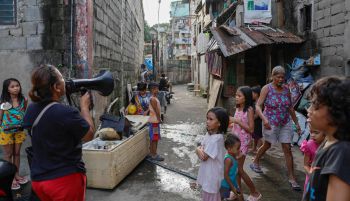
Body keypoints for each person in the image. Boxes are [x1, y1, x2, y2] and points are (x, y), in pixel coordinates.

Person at [22, 65, 94, 201]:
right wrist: (84, 108)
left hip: (39, 180)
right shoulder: (66, 112)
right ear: (56, 87)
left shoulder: (31, 109)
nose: (65, 81)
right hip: (64, 181)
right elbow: (89, 135)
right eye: (62, 78)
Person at [250, 66, 301, 191]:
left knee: (287, 148)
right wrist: (264, 119)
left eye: (283, 77)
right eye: (278, 77)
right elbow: (258, 106)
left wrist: (297, 123)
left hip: (285, 122)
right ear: (273, 77)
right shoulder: (266, 89)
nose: (281, 79)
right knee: (267, 144)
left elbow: (290, 107)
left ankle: (291, 177)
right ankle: (255, 161)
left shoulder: (286, 89)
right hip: (270, 122)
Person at [302, 77, 350, 201]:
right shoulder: (326, 142)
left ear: (335, 111)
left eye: (315, 105)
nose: (309, 110)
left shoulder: (341, 152)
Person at [230, 86, 261, 201]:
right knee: (236, 170)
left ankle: (255, 192)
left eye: (239, 96)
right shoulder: (237, 108)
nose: (236, 97)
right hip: (235, 141)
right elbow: (235, 125)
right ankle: (238, 193)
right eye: (236, 95)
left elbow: (251, 129)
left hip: (243, 142)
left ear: (246, 97)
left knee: (239, 170)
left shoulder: (249, 110)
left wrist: (236, 121)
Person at [0, 78, 28, 190]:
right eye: (12, 86)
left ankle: (16, 174)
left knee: (16, 153)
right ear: (7, 89)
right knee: (8, 155)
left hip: (19, 130)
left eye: (17, 85)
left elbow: (24, 113)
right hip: (6, 132)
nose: (16, 88)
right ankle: (9, 178)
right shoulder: (3, 102)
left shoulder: (23, 99)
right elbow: (0, 118)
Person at [196, 107, 228, 201]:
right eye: (207, 118)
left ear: (219, 123)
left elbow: (203, 156)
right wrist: (199, 149)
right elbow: (202, 147)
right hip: (208, 174)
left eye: (211, 119)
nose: (207, 121)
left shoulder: (217, 139)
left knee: (211, 197)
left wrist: (197, 150)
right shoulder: (209, 134)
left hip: (212, 177)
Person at [300, 126, 325, 192]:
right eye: (311, 132)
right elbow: (306, 165)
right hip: (311, 177)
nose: (312, 135)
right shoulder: (309, 144)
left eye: (316, 133)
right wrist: (312, 175)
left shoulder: (331, 146)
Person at [220, 134, 243, 201]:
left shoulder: (233, 156)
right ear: (229, 149)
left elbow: (234, 168)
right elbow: (226, 175)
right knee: (221, 198)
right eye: (237, 148)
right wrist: (232, 187)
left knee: (239, 196)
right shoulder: (228, 160)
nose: (239, 150)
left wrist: (238, 157)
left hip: (232, 182)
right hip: (225, 184)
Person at [148, 82, 164, 161]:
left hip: (154, 121)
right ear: (152, 90)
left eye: (157, 88)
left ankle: (152, 153)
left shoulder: (154, 98)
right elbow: (157, 111)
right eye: (156, 89)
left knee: (154, 138)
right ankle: (154, 154)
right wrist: (159, 119)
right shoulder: (153, 99)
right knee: (155, 138)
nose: (157, 90)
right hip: (155, 122)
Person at [251, 86, 262, 154]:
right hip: (255, 121)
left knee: (259, 137)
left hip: (258, 121)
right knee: (255, 136)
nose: (251, 95)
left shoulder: (259, 102)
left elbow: (258, 114)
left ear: (256, 94)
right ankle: (254, 148)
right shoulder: (255, 102)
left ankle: (259, 152)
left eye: (252, 93)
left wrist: (251, 119)